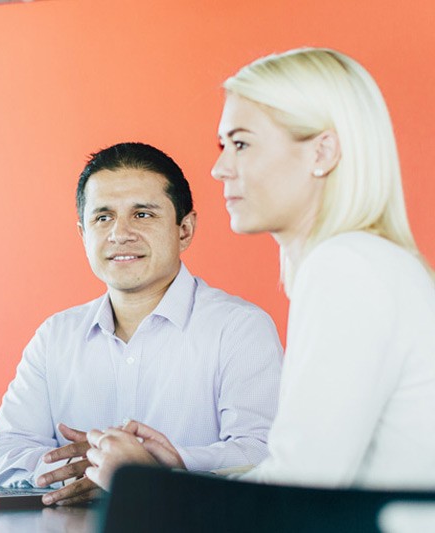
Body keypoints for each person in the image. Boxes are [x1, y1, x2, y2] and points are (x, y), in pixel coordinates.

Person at [84, 47, 435, 491]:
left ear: (322, 152)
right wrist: (174, 471)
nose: (219, 168)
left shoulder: (346, 268)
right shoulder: (368, 262)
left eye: (242, 144)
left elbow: (300, 494)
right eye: (223, 145)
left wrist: (147, 484)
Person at [0, 141, 283, 505]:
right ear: (83, 234)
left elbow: (263, 453)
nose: (120, 233)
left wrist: (159, 469)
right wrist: (95, 467)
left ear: (184, 229)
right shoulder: (55, 336)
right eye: (103, 217)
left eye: (143, 214)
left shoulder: (240, 328)